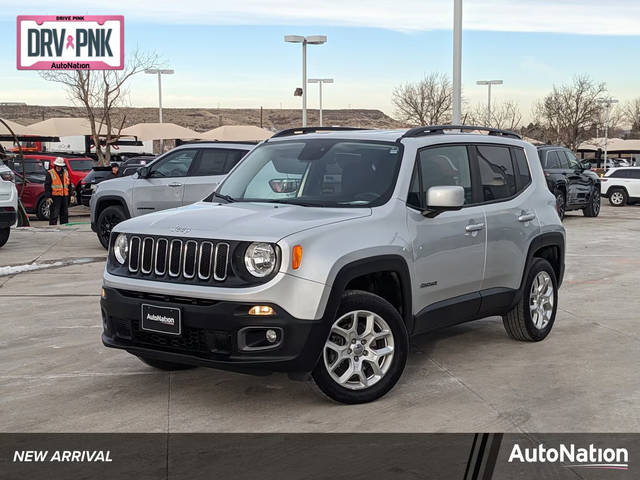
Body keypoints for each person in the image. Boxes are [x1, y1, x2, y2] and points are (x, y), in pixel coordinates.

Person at [45, 157, 75, 225]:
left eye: (60, 166)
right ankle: (52, 228)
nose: (58, 167)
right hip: (55, 197)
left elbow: (69, 185)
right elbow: (47, 186)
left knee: (64, 214)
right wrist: (48, 197)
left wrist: (72, 195)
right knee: (54, 214)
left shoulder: (66, 173)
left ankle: (64, 228)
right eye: (57, 165)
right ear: (55, 165)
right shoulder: (50, 173)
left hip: (64, 197)